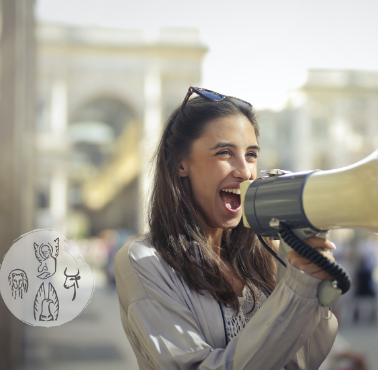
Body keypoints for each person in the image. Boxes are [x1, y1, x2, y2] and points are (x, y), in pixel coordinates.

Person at [114, 87, 338, 369]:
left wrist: (313, 291)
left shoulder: (269, 254)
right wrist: (295, 291)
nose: (245, 171)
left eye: (252, 155)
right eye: (224, 153)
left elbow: (302, 361)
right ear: (182, 164)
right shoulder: (144, 261)